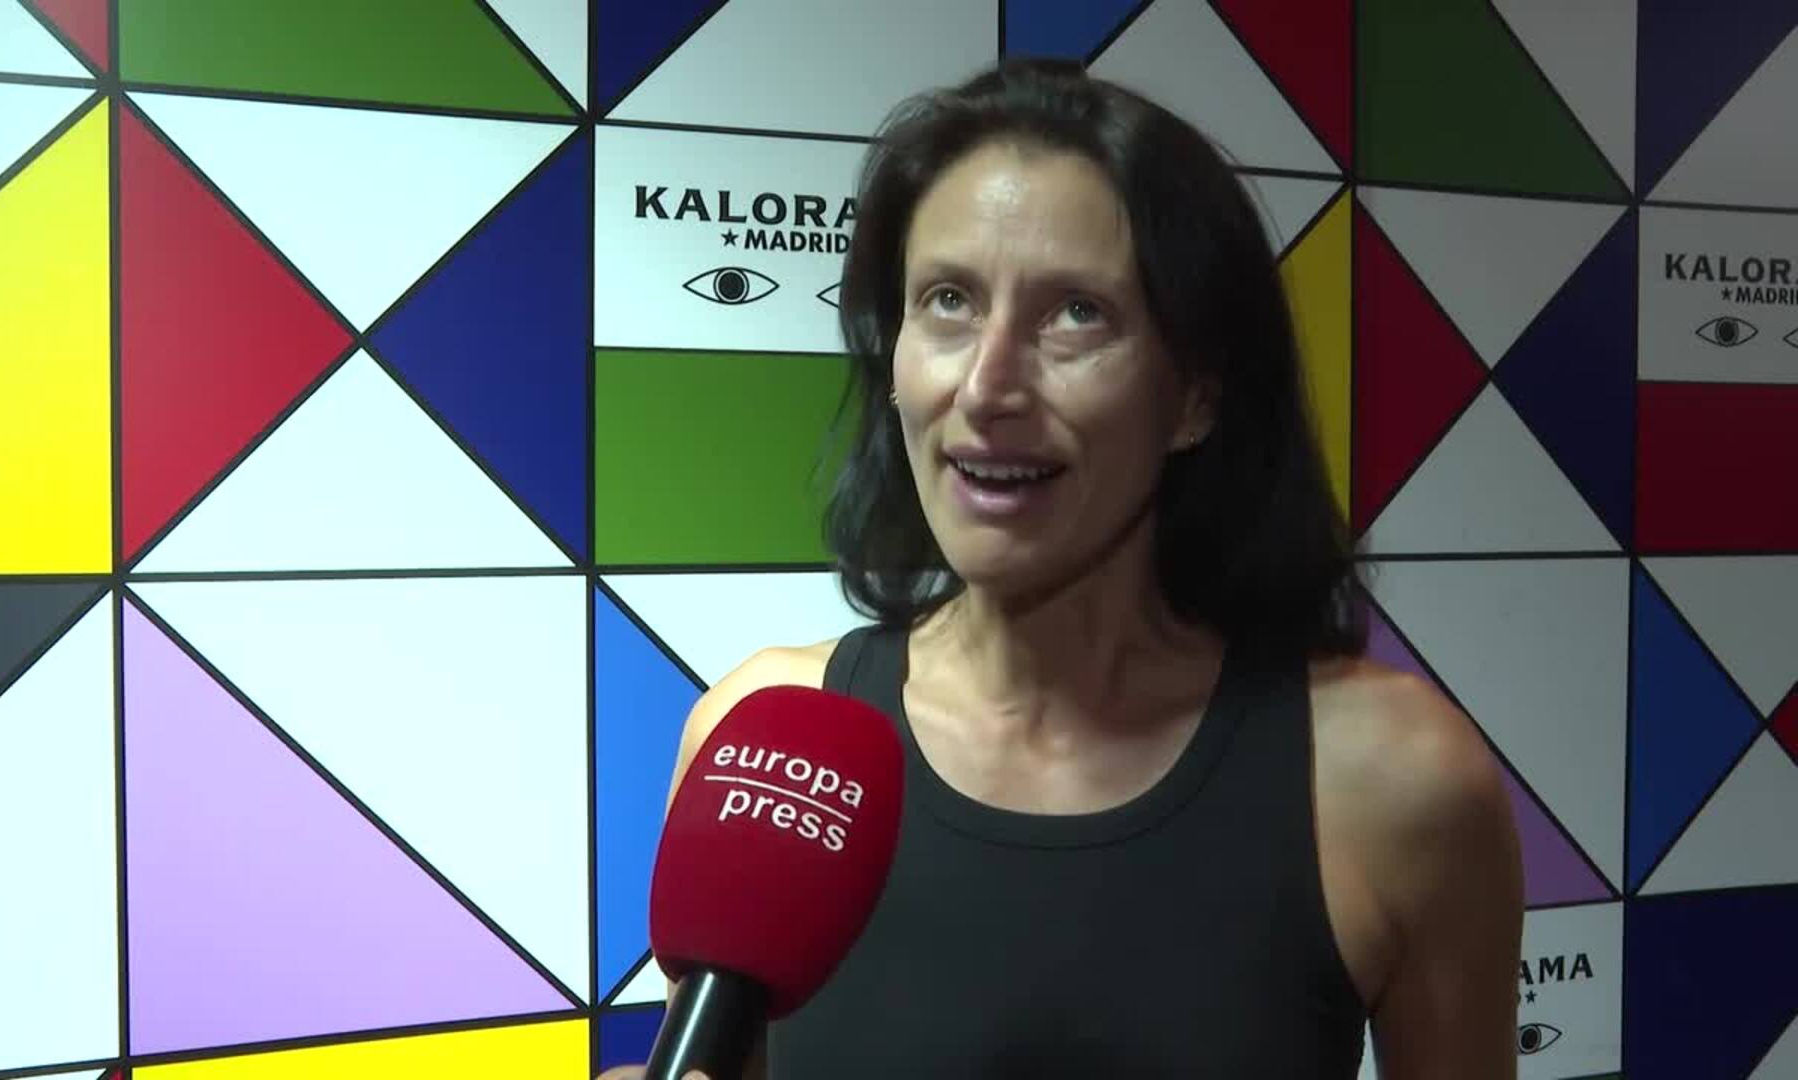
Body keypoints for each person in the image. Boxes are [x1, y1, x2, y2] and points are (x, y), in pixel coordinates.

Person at [601, 58, 1522, 1079]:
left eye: (1076, 313)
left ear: (1197, 394)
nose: (987, 386)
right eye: (948, 300)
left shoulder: (1395, 781)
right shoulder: (764, 740)